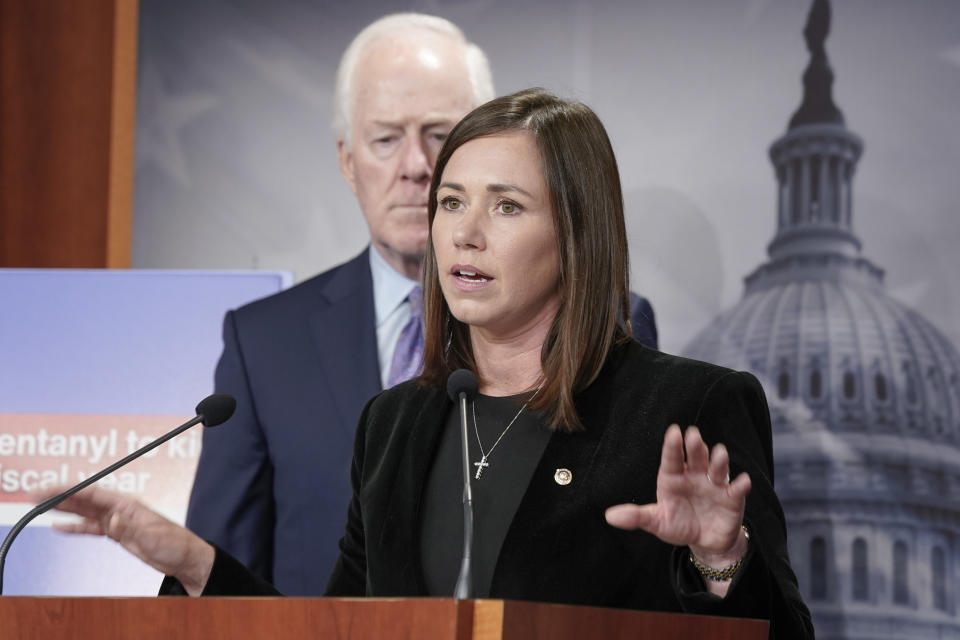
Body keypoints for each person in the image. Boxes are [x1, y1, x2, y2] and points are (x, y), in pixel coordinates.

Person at [40, 89, 808, 637]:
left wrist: (719, 560)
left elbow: (782, 633)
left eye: (506, 206)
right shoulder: (397, 422)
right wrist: (197, 563)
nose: (464, 234)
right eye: (451, 203)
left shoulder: (689, 409)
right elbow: (339, 630)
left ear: (578, 235)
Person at [184, 14, 659, 596]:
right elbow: (243, 579)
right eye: (386, 138)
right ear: (346, 159)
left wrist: (718, 564)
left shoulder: (624, 331)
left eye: (441, 135)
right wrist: (193, 569)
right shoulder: (264, 344)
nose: (417, 168)